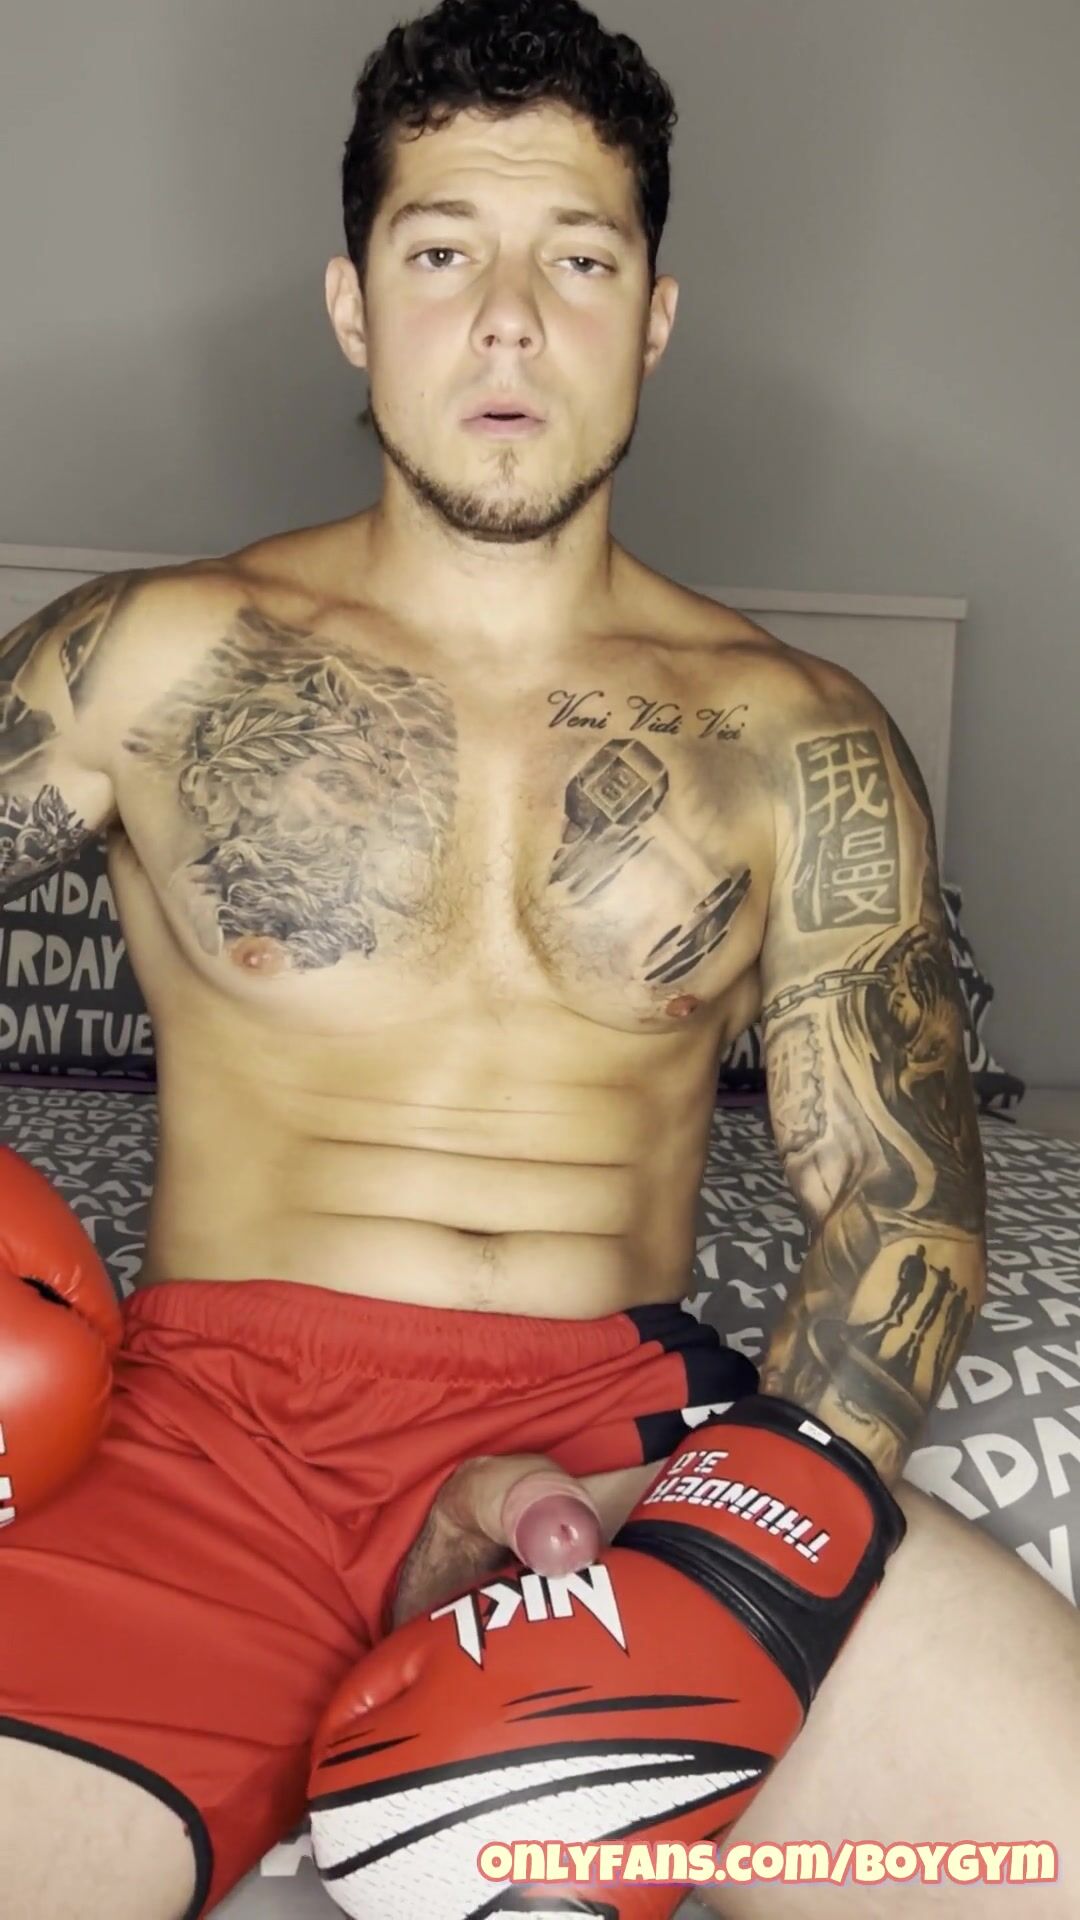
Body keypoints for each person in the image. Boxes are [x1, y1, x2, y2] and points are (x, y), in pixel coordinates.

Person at [0, 1, 1076, 1915]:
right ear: (354, 305)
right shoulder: (146, 659)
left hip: (628, 1445)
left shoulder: (799, 735)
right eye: (443, 255)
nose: (508, 321)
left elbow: (903, 1207)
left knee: (1034, 1854)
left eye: (579, 260)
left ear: (653, 315)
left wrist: (747, 1557)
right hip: (201, 1451)